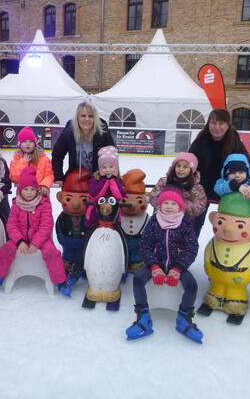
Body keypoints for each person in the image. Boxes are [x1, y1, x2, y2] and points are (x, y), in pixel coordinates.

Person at [125, 187, 203, 343]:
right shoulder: (154, 222)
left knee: (192, 285)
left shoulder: (185, 224)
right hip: (156, 263)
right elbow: (145, 246)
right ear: (159, 206)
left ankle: (184, 317)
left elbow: (191, 248)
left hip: (177, 265)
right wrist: (153, 266)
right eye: (165, 203)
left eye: (173, 203)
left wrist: (178, 268)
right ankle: (143, 317)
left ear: (180, 207)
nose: (169, 206)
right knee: (138, 279)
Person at [0, 167, 70, 296]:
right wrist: (19, 241)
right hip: (19, 239)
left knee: (52, 253)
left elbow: (46, 226)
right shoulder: (16, 205)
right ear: (20, 190)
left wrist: (35, 243)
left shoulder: (43, 205)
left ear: (37, 190)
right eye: (25, 189)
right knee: (3, 251)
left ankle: (60, 281)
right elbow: (11, 226)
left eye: (32, 189)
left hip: (41, 240)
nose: (29, 192)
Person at [188, 108, 250, 237]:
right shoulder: (200, 140)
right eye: (213, 123)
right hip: (202, 189)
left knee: (231, 223)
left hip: (228, 188)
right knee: (194, 222)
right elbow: (190, 165)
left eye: (221, 123)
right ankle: (187, 252)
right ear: (208, 124)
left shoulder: (235, 143)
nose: (217, 127)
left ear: (228, 124)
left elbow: (247, 167)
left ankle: (226, 250)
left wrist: (249, 187)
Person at [52, 101, 114, 185]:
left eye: (91, 116)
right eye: (83, 116)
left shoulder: (102, 132)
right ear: (77, 117)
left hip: (99, 178)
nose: (87, 119)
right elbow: (57, 155)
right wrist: (58, 177)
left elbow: (112, 156)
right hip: (76, 177)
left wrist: (111, 177)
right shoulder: (69, 132)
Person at [149, 152, 207, 219]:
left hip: (183, 221)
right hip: (161, 218)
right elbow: (153, 197)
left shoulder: (196, 187)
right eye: (178, 166)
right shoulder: (164, 181)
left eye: (185, 167)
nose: (181, 169)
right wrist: (165, 204)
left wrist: (180, 205)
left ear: (191, 170)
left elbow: (200, 206)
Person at [85, 145, 126, 228]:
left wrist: (113, 180)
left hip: (113, 215)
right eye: (104, 167)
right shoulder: (95, 179)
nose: (108, 170)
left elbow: (120, 196)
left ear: (117, 168)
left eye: (111, 167)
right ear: (99, 169)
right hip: (95, 215)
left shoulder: (119, 180)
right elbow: (95, 195)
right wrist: (104, 180)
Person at [9, 127, 54, 196]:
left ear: (35, 143)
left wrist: (44, 184)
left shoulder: (44, 159)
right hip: (23, 196)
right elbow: (15, 178)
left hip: (41, 194)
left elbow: (49, 175)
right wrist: (23, 162)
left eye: (30, 141)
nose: (28, 144)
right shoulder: (16, 160)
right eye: (24, 141)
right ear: (19, 144)